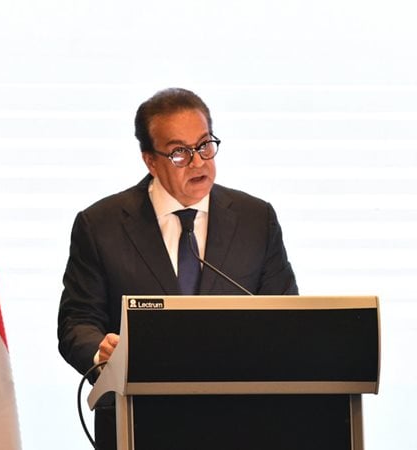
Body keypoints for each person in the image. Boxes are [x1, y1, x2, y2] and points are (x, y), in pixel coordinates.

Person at [57, 87, 298, 449]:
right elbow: (76, 322)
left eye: (204, 145)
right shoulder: (100, 225)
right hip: (137, 423)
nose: (198, 162)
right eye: (179, 152)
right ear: (150, 161)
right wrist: (101, 353)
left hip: (242, 424)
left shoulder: (255, 219)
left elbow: (286, 316)